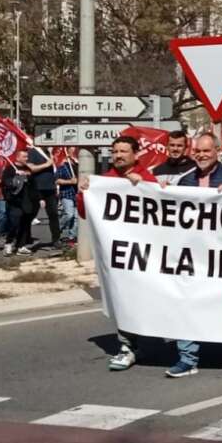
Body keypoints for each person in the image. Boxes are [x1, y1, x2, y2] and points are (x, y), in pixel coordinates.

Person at [167, 132, 222, 378]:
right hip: (192, 257)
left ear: (218, 151)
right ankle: (187, 358)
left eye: (207, 150)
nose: (201, 155)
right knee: (186, 302)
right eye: (198, 151)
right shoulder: (185, 182)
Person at [78, 136, 158, 371]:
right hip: (118, 255)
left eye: (124, 151)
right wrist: (84, 193)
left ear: (136, 154)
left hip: (146, 253)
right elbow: (86, 214)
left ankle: (142, 340)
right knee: (123, 298)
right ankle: (127, 347)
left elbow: (160, 207)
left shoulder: (146, 178)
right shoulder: (105, 181)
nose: (119, 155)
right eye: (115, 152)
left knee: (145, 301)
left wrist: (142, 186)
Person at [1, 151, 37, 256]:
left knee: (25, 224)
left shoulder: (28, 169)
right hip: (15, 201)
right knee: (14, 224)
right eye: (24, 156)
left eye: (27, 156)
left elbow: (33, 185)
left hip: (27, 201)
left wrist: (39, 198)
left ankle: (21, 246)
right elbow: (5, 183)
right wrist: (16, 178)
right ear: (17, 158)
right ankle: (8, 244)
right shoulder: (10, 169)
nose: (26, 158)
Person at [27, 146, 62, 249]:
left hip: (50, 188)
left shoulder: (48, 152)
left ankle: (56, 239)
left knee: (53, 215)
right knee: (30, 213)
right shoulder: (33, 151)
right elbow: (31, 168)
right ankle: (24, 237)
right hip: (37, 188)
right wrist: (46, 164)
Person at [55, 155, 79, 244]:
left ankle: (72, 237)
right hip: (67, 193)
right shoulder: (63, 166)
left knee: (76, 218)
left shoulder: (79, 165)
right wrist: (70, 182)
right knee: (69, 214)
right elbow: (57, 180)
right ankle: (57, 230)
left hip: (77, 194)